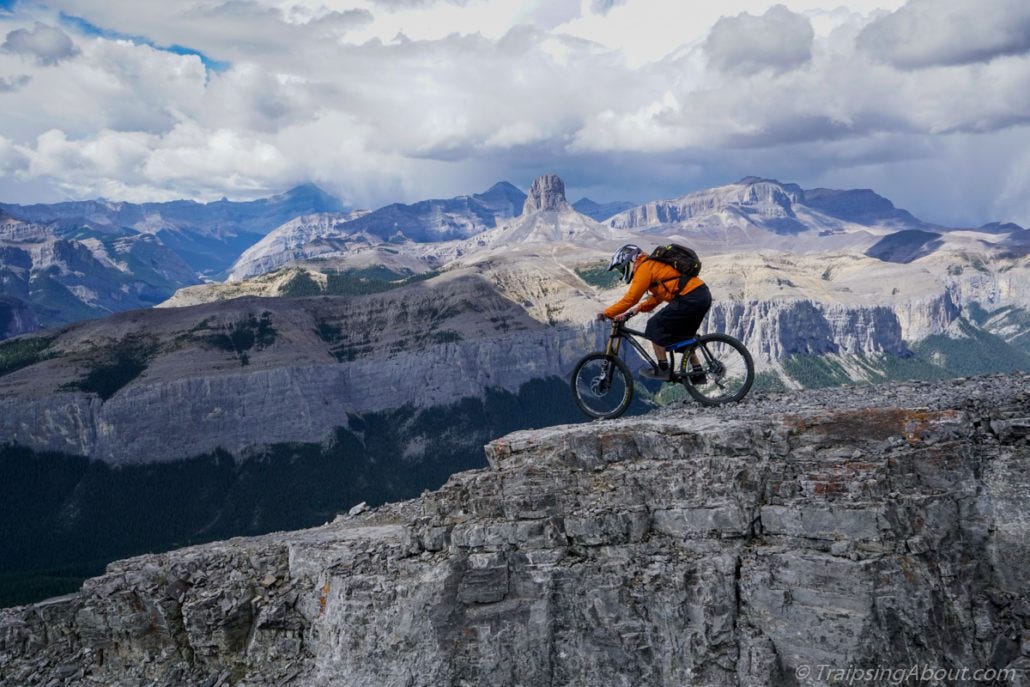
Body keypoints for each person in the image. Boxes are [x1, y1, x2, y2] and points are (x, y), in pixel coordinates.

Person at [597, 243, 712, 380]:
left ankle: (663, 369)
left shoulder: (644, 268)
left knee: (654, 326)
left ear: (629, 262)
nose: (622, 273)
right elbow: (658, 297)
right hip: (701, 295)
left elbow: (631, 299)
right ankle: (698, 373)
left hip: (690, 298)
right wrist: (638, 309)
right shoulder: (653, 265)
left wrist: (607, 313)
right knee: (683, 338)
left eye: (622, 269)